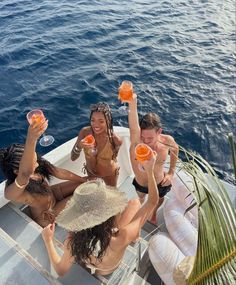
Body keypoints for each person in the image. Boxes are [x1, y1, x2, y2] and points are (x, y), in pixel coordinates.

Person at [42, 151, 158, 277]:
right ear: (107, 214)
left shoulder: (73, 240)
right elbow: (152, 202)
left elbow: (61, 270)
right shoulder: (121, 237)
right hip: (108, 269)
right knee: (135, 203)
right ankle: (135, 235)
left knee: (133, 204)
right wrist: (150, 170)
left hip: (90, 261)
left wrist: (48, 240)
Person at [0, 119, 87, 227]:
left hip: (53, 194)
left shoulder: (38, 164)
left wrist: (84, 180)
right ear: (17, 171)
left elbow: (60, 172)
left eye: (35, 159)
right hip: (48, 214)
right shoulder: (12, 190)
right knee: (87, 193)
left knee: (88, 183)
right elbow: (25, 173)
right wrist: (32, 139)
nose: (37, 164)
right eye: (33, 163)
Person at [128, 93, 179, 223]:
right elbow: (134, 128)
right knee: (139, 200)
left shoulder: (167, 141)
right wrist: (132, 103)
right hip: (141, 183)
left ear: (159, 132)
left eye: (150, 138)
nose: (145, 141)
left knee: (158, 200)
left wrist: (171, 172)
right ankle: (137, 218)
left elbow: (175, 150)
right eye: (143, 137)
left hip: (159, 183)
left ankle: (154, 212)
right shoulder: (137, 142)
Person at [71, 102, 122, 186]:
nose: (96, 125)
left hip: (109, 175)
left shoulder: (116, 140)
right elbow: (73, 158)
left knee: (112, 194)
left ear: (108, 121)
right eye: (93, 120)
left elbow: (114, 157)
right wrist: (79, 146)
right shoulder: (84, 132)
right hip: (91, 174)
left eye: (101, 121)